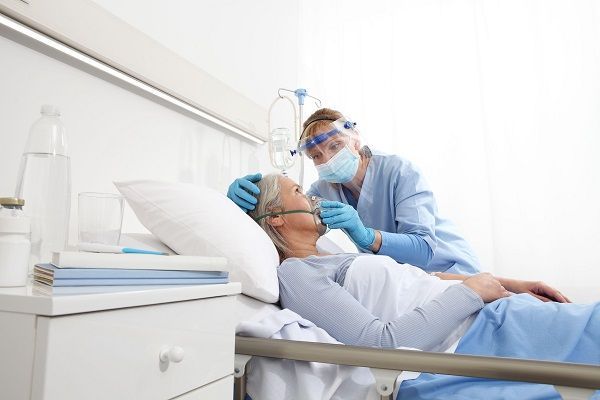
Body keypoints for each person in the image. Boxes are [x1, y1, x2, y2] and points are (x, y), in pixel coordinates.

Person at [245, 173, 600, 399]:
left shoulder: (330, 253)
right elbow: (379, 344)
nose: (314, 199)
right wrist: (472, 292)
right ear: (275, 216)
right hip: (477, 333)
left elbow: (423, 280)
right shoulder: (296, 273)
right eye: (298, 191)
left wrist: (511, 283)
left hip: (495, 311)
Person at [228, 108, 480, 274]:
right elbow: (282, 215)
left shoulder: (400, 172)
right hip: (407, 282)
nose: (326, 158)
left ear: (355, 138)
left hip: (451, 270)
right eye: (316, 155)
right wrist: (239, 207)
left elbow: (424, 250)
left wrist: (367, 236)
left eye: (335, 145)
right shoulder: (322, 190)